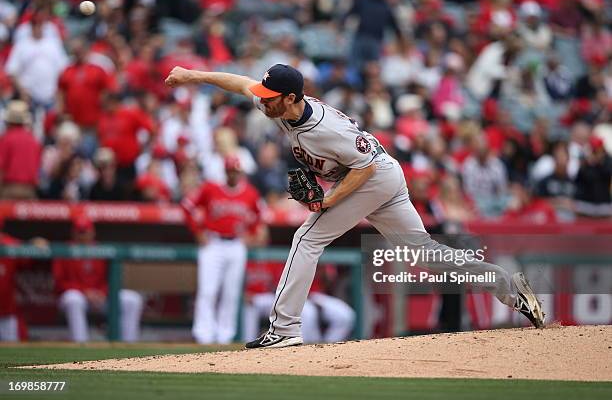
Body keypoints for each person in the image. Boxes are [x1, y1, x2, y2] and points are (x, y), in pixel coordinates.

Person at [165, 63, 545, 350]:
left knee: (307, 238)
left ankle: (284, 331)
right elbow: (238, 82)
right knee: (426, 254)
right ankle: (510, 287)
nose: (262, 101)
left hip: (374, 175)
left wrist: (328, 200)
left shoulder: (326, 128)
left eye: (270, 97)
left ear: (292, 97)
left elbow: (364, 168)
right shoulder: (280, 105)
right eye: (263, 95)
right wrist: (192, 74)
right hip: (383, 177)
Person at [181, 155, 267, 344]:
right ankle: (204, 334)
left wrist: (252, 234)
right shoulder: (211, 188)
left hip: (236, 245)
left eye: (236, 171)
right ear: (225, 171)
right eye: (230, 171)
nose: (233, 175)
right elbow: (187, 206)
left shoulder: (250, 193)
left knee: (231, 293)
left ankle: (224, 335)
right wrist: (198, 231)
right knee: (208, 290)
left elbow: (260, 215)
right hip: (213, 243)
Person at [52, 215, 143, 342]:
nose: (83, 236)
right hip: (79, 297)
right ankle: (81, 346)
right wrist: (85, 292)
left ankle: (128, 345)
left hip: (101, 297)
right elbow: (59, 282)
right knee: (73, 299)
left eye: (85, 232)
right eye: (80, 232)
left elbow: (113, 279)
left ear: (93, 232)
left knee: (132, 299)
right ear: (73, 233)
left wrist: (102, 292)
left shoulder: (102, 250)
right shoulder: (64, 250)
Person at [0, 100, 41, 199]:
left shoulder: (6, 139)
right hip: (30, 190)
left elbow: (1, 167)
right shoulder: (34, 140)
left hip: (9, 189)